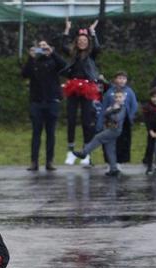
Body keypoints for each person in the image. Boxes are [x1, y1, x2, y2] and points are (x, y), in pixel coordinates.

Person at [60, 19, 102, 167]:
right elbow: (62, 45)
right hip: (73, 86)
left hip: (87, 87)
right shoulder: (72, 53)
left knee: (86, 121)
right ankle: (70, 151)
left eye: (85, 40)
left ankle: (86, 153)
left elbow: (97, 46)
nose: (82, 42)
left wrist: (92, 32)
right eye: (80, 40)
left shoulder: (91, 54)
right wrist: (67, 29)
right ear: (77, 41)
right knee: (71, 119)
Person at [21, 39, 67, 171]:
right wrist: (30, 58)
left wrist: (52, 53)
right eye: (39, 46)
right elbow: (24, 74)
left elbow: (65, 66)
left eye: (44, 46)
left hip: (52, 101)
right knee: (36, 133)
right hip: (37, 102)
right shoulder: (34, 61)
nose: (42, 48)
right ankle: (34, 161)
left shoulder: (53, 61)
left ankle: (49, 161)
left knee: (51, 133)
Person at [71, 88, 127, 176]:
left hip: (115, 130)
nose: (118, 99)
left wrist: (111, 111)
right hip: (109, 129)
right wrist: (110, 111)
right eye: (116, 97)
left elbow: (116, 118)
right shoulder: (114, 106)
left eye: (120, 97)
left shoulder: (123, 108)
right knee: (110, 149)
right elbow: (105, 114)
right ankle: (113, 168)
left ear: (124, 98)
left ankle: (84, 152)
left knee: (98, 137)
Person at [100, 72, 138, 166]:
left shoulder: (129, 91)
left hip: (124, 122)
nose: (121, 80)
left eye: (123, 78)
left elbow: (134, 106)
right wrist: (101, 121)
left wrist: (131, 117)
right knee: (109, 142)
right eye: (119, 78)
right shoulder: (109, 91)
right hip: (110, 122)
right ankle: (110, 163)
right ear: (115, 79)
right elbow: (104, 106)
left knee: (123, 143)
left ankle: (120, 162)